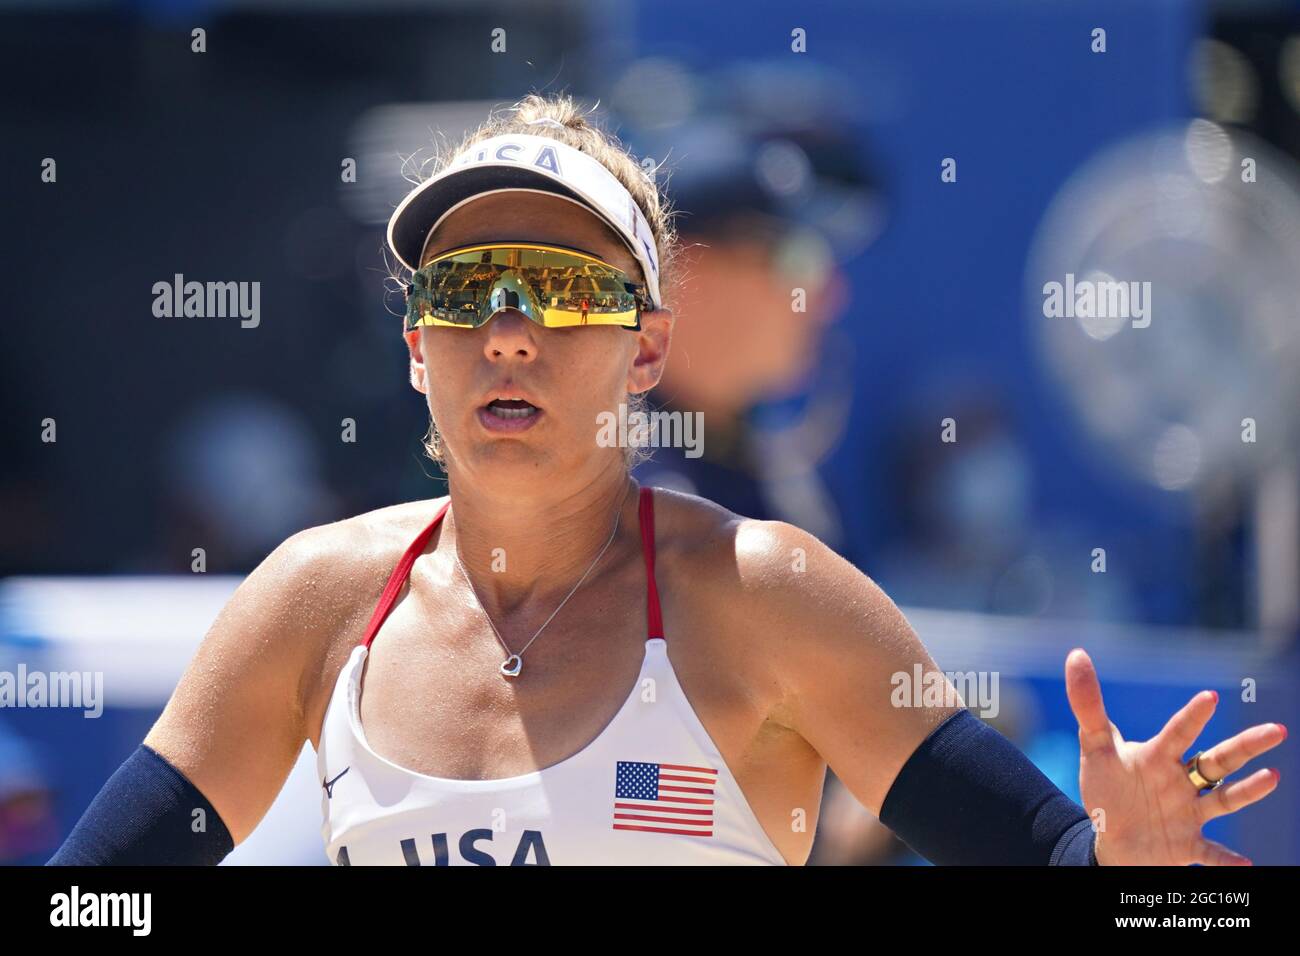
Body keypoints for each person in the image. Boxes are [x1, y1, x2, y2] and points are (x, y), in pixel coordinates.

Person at [48, 93, 1284, 866]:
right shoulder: (318, 600)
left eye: (568, 288)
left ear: (646, 345)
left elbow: (1062, 856)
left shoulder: (765, 588)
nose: (511, 333)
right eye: (465, 292)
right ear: (417, 343)